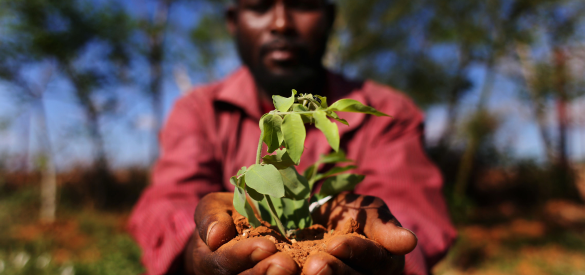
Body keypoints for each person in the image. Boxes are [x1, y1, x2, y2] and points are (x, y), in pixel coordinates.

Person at [128, 0, 457, 274]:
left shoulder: (390, 110)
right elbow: (169, 201)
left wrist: (388, 245)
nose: (282, 23)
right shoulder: (198, 111)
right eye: (259, 6)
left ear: (329, 18)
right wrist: (196, 245)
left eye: (303, 4)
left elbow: (415, 213)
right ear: (234, 21)